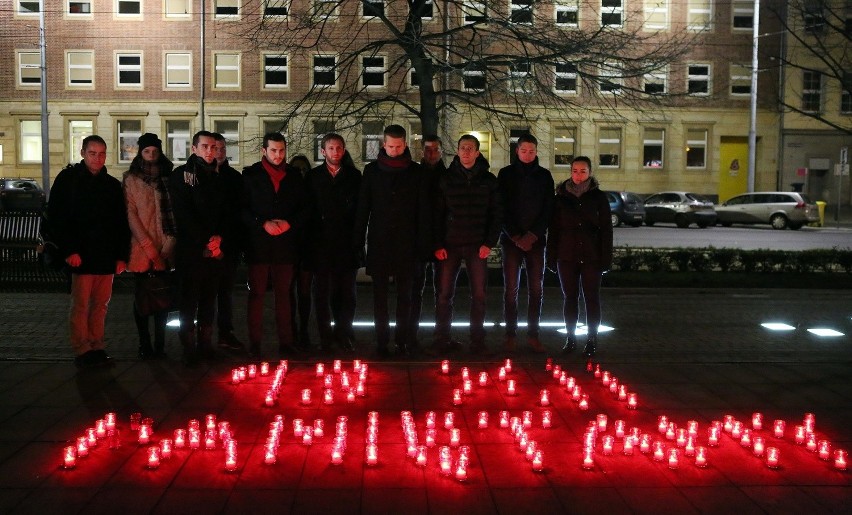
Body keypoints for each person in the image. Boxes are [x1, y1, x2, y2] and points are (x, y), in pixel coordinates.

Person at [47, 135, 130, 368]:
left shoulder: (112, 186)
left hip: (105, 256)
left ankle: (97, 345)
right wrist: (68, 250)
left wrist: (121, 256)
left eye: (102, 153)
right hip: (80, 255)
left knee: (101, 305)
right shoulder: (69, 180)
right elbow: (57, 217)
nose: (98, 158)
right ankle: (82, 348)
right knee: (81, 304)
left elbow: (120, 224)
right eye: (93, 153)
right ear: (83, 153)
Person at [354, 124, 431, 358]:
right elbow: (363, 209)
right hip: (380, 242)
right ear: (383, 145)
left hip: (408, 244)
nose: (394, 150)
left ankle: (403, 340)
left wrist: (423, 246)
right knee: (379, 297)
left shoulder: (417, 172)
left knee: (406, 297)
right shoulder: (372, 171)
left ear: (405, 145)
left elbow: (423, 213)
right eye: (390, 146)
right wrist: (358, 241)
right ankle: (382, 341)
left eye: (398, 146)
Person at [169, 130, 241, 366]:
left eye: (213, 147)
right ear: (194, 149)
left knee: (210, 298)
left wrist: (219, 238)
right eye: (205, 147)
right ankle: (189, 347)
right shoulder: (182, 176)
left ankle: (206, 344)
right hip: (192, 250)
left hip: (215, 249)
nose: (210, 151)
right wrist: (205, 239)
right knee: (189, 299)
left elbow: (227, 212)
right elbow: (184, 214)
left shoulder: (218, 177)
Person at [431, 134, 502, 355]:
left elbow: (496, 214)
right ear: (457, 151)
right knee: (444, 295)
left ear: (478, 152)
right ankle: (442, 340)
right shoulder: (446, 179)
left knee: (479, 295)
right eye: (463, 148)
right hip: (449, 245)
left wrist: (489, 243)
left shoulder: (489, 180)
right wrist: (437, 243)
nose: (466, 152)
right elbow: (437, 214)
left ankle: (477, 342)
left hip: (476, 245)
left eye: (471, 148)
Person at [240, 133, 308, 358]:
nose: (278, 156)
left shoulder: (294, 176)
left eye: (281, 151)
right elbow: (242, 210)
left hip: (286, 246)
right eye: (273, 151)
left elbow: (304, 210)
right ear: (264, 151)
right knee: (257, 295)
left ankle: (286, 343)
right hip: (258, 246)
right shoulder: (251, 176)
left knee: (284, 295)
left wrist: (290, 223)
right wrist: (262, 224)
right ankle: (255, 344)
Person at [547, 156, 613, 358]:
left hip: (592, 256)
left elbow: (606, 230)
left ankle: (592, 339)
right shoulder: (560, 198)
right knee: (570, 298)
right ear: (570, 172)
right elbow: (554, 229)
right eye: (575, 170)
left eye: (582, 171)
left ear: (590, 173)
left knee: (592, 298)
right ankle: (571, 338)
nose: (578, 175)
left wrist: (606, 258)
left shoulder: (598, 198)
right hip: (566, 256)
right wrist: (551, 256)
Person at [304, 134, 362, 352]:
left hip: (347, 244)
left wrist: (356, 240)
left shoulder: (354, 176)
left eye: (339, 148)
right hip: (321, 244)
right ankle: (325, 337)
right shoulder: (313, 177)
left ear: (344, 150)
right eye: (331, 148)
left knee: (347, 294)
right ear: (323, 151)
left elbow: (359, 211)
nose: (335, 152)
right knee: (322, 294)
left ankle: (343, 333)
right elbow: (308, 210)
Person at [497, 133, 554, 354]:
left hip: (536, 242)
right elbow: (501, 208)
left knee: (536, 290)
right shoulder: (506, 174)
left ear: (536, 152)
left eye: (531, 151)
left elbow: (548, 209)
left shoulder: (544, 176)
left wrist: (532, 236)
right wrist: (515, 236)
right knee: (511, 290)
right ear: (517, 151)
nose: (527, 155)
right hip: (511, 241)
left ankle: (533, 336)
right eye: (523, 151)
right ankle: (510, 335)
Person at [122, 133, 176, 360]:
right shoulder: (131, 179)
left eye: (155, 151)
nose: (151, 155)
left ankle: (160, 345)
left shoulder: (171, 177)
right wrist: (151, 250)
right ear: (140, 152)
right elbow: (131, 216)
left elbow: (176, 214)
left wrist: (168, 246)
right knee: (143, 299)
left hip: (167, 248)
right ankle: (145, 345)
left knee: (163, 298)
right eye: (147, 151)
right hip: (142, 249)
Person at [410, 134, 446, 350]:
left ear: (441, 151)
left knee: (442, 292)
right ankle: (411, 334)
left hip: (442, 241)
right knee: (415, 290)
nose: (431, 154)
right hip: (418, 240)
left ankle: (441, 335)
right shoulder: (415, 175)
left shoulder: (448, 175)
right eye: (427, 150)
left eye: (435, 149)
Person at [212, 132, 245, 352]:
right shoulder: (195, 176)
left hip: (229, 246)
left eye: (223, 148)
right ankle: (202, 336)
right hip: (203, 245)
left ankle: (226, 332)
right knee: (203, 293)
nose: (220, 153)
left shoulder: (234, 177)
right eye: (215, 148)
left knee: (225, 293)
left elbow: (238, 213)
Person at [288, 154, 314, 349]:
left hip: (307, 247)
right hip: (289, 248)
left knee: (304, 291)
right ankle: (291, 329)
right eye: (297, 169)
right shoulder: (288, 190)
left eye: (305, 169)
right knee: (288, 292)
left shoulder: (312, 190)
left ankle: (303, 329)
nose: (301, 173)